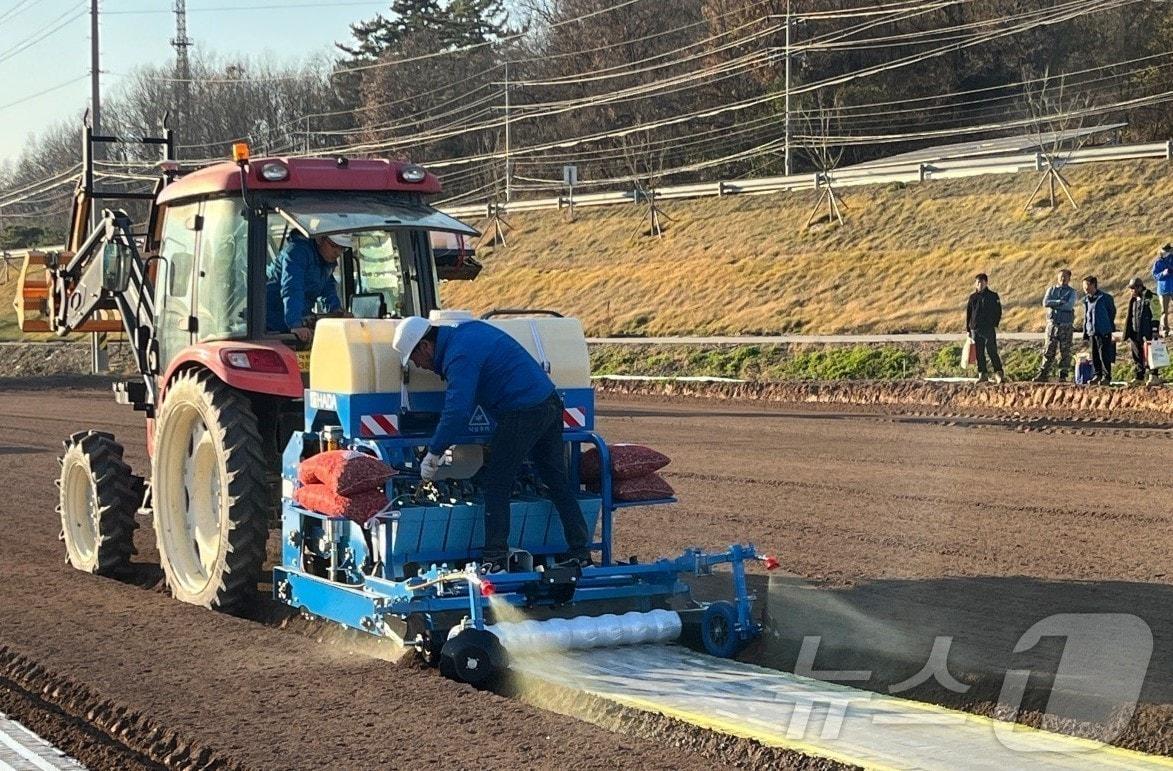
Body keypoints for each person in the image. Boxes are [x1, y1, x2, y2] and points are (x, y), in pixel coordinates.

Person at [390, 316, 592, 572]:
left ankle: (495, 560)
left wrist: (434, 452)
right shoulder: (466, 332)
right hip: (549, 403)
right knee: (556, 480)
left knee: (496, 482)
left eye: (415, 359)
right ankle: (580, 553)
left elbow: (458, 410)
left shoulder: (459, 354)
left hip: (522, 411)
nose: (419, 366)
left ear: (426, 346)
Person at [265, 231, 349, 342]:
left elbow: (327, 287)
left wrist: (337, 310)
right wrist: (295, 324)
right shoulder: (297, 253)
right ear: (319, 239)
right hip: (273, 324)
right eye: (334, 246)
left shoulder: (324, 262)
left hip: (297, 322)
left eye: (343, 248)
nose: (338, 252)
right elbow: (292, 287)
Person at [1035, 269, 1076, 382]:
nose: (1063, 279)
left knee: (1065, 351)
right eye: (1061, 276)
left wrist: (1054, 305)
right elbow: (1045, 302)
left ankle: (1063, 375)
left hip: (1066, 325)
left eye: (1065, 277)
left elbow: (1069, 306)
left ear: (1069, 278)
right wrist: (1059, 302)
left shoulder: (1072, 292)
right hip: (1052, 325)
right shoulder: (1052, 290)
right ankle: (1043, 373)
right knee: (1048, 350)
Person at [966, 273, 1005, 383]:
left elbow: (998, 311)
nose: (980, 285)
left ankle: (998, 373)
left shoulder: (993, 296)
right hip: (975, 328)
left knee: (991, 350)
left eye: (982, 282)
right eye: (978, 282)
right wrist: (968, 329)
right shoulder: (973, 297)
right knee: (979, 352)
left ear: (986, 283)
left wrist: (994, 324)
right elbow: (969, 314)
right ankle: (982, 374)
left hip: (988, 328)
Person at [1123, 277, 1160, 386]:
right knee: (1137, 355)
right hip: (1135, 332)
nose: (1131, 291)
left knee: (1150, 354)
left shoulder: (1151, 297)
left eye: (1133, 288)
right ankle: (1139, 377)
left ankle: (1154, 376)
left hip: (1147, 331)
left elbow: (1156, 314)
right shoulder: (1134, 299)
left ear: (1139, 287)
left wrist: (1155, 329)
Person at [1081, 275, 1117, 385]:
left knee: (1104, 354)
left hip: (1103, 331)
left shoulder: (1105, 298)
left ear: (1093, 285)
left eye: (1087, 285)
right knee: (1095, 354)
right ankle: (1097, 375)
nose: (1085, 288)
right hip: (1092, 331)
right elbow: (1086, 316)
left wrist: (1107, 326)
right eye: (1083, 286)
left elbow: (1112, 312)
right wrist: (1085, 332)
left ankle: (1107, 377)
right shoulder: (1086, 300)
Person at [1152, 243, 1173, 337]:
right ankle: (1165, 329)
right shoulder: (1158, 262)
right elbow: (1155, 276)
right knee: (1164, 311)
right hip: (1163, 289)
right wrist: (1163, 273)